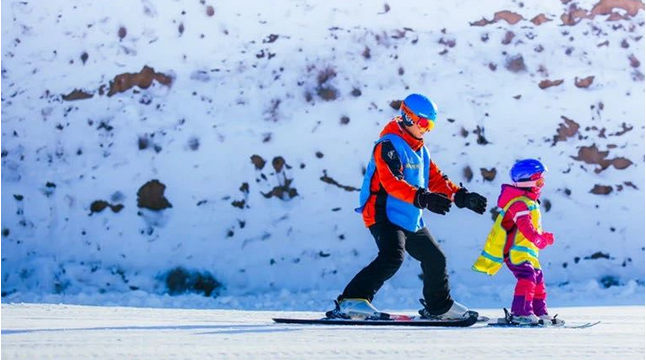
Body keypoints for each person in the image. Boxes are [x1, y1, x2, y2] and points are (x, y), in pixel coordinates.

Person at [327, 93, 488, 320]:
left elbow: (436, 178)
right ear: (408, 117)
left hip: (409, 215)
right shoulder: (388, 145)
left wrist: (461, 196)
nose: (427, 129)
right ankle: (351, 301)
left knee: (435, 258)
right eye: (424, 123)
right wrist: (424, 198)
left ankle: (439, 307)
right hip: (382, 212)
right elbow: (392, 182)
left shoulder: (420, 149)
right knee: (393, 256)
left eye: (431, 125)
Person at [472, 159, 558, 324]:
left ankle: (539, 312)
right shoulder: (518, 203)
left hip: (527, 251)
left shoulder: (529, 201)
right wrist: (537, 238)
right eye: (539, 179)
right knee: (528, 278)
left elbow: (530, 229)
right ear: (528, 180)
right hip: (514, 251)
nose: (543, 183)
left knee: (538, 279)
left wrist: (543, 236)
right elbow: (525, 227)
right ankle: (521, 312)